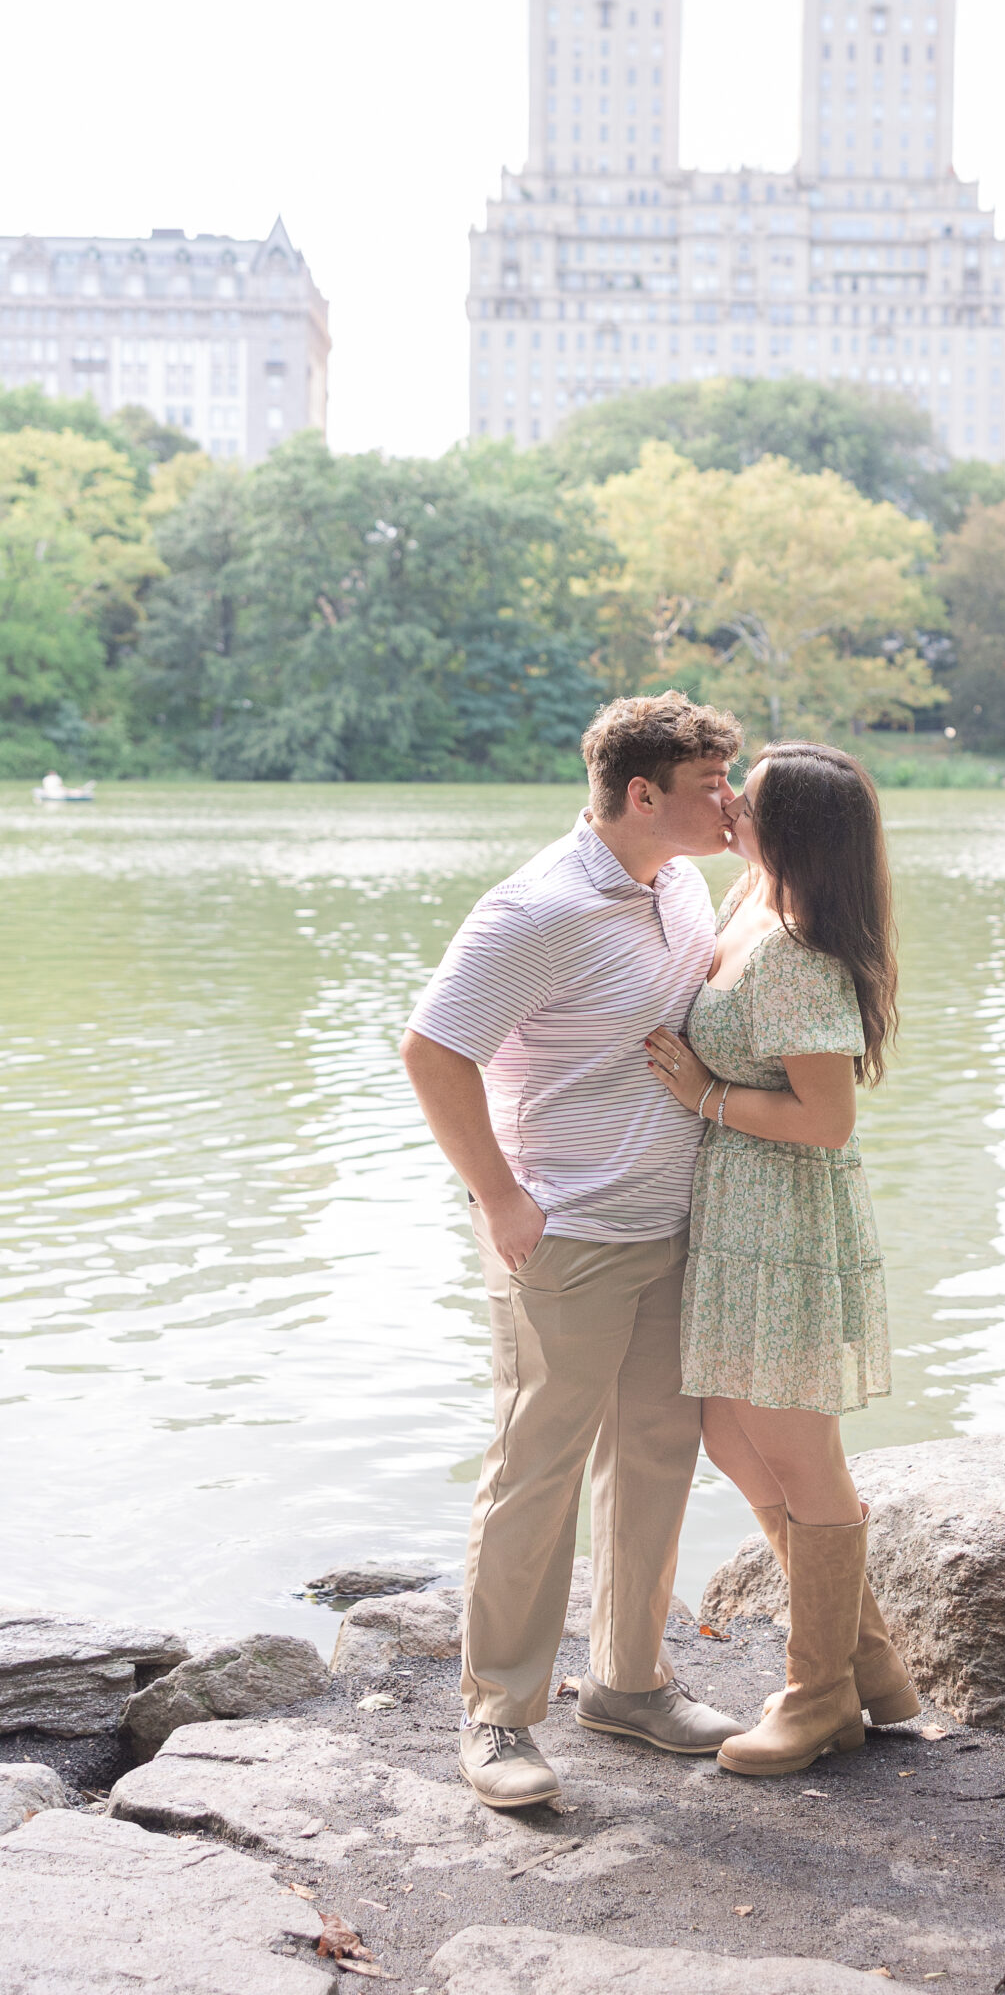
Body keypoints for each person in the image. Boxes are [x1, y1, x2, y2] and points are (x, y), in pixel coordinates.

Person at [400, 691, 747, 1811]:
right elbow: (432, 1050)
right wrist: (499, 1196)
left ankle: (629, 1684)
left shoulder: (680, 880)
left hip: (672, 1222)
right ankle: (498, 1714)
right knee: (535, 1469)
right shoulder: (533, 911)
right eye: (710, 787)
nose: (729, 801)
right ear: (643, 794)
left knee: (654, 1455)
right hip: (567, 1234)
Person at [644, 740, 918, 1778]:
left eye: (745, 798)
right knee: (730, 1434)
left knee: (801, 1455)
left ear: (789, 831)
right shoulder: (750, 893)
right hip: (737, 1211)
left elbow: (829, 1119)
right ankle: (872, 1668)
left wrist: (703, 1096)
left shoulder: (801, 951)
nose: (727, 803)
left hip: (787, 1218)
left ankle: (819, 1700)